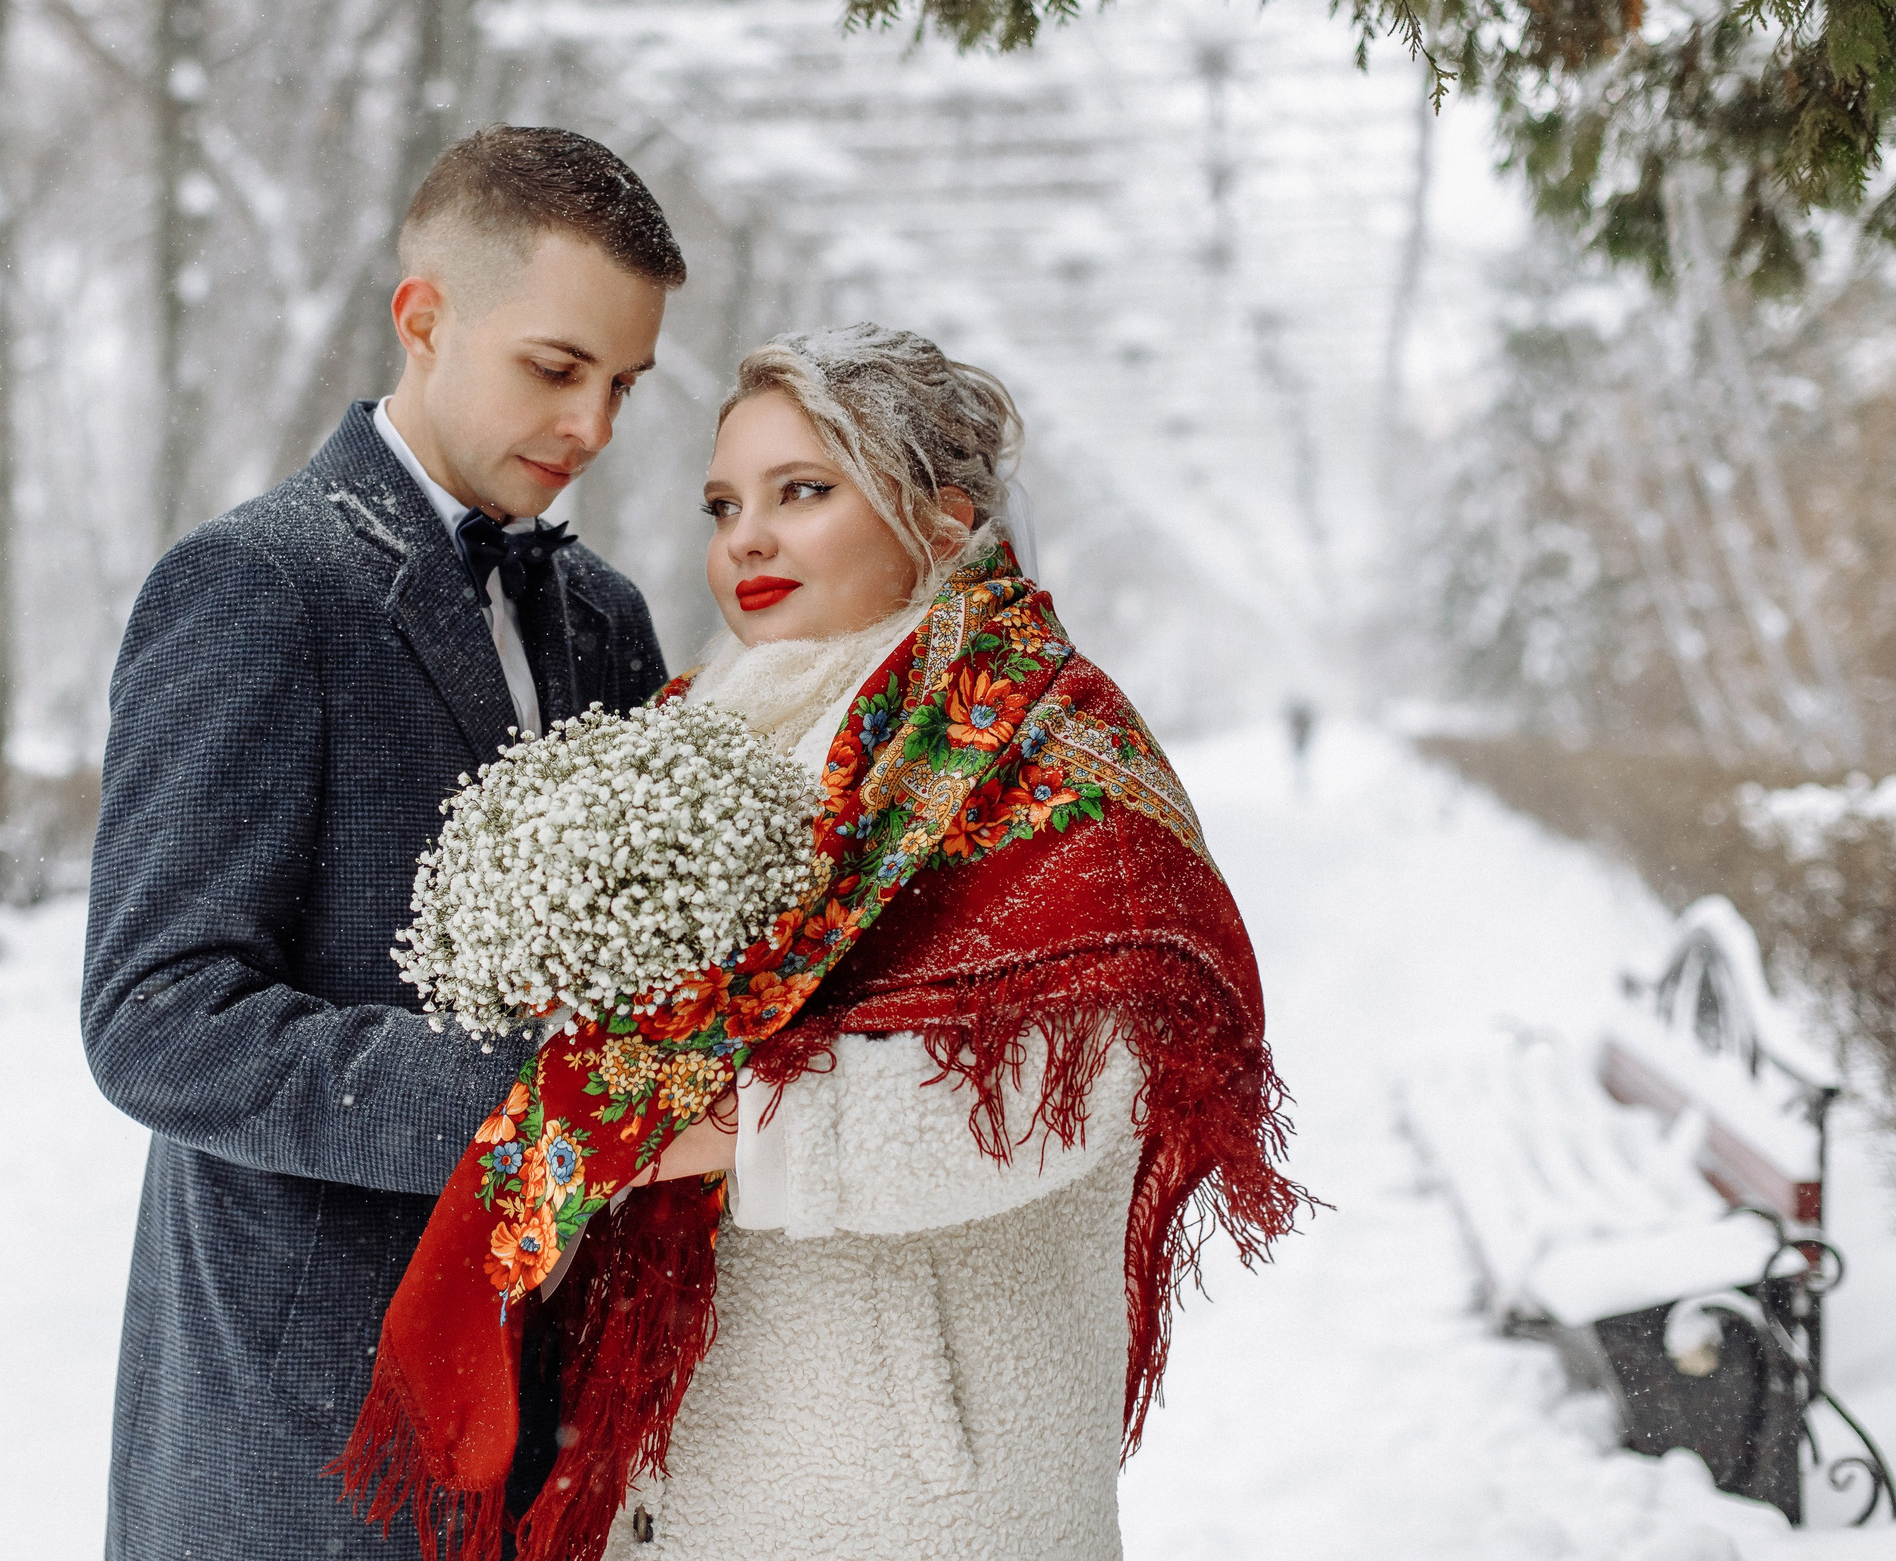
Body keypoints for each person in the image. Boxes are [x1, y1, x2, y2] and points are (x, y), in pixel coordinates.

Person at [336, 326, 1304, 1561]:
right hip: (690, 1454)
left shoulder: (1046, 748)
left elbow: (1069, 1091)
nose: (744, 537)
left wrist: (729, 1129)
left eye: (803, 491)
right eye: (723, 503)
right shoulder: (699, 732)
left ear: (942, 519)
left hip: (917, 1484)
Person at [81, 126, 683, 1561]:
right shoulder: (251, 587)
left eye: (624, 384)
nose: (593, 423)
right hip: (310, 1416)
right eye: (556, 367)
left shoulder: (605, 616)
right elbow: (156, 1018)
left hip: (563, 1405)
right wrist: (532, 1104)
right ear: (424, 317)